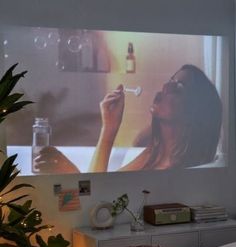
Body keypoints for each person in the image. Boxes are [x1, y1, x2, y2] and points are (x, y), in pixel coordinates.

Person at [34, 64, 222, 174]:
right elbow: (100, 193)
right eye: (170, 80)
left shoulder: (184, 172)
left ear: (194, 114)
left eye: (178, 87)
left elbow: (100, 199)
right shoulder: (151, 155)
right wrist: (109, 127)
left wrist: (70, 171)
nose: (165, 86)